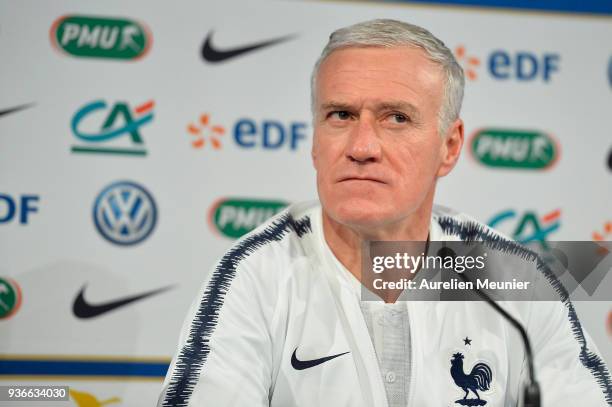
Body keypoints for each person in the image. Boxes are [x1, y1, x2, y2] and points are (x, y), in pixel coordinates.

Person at [158, 19, 610, 406]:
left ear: (449, 147)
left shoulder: (512, 277)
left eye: (396, 118)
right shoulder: (257, 274)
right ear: (315, 140)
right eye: (340, 115)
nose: (361, 147)